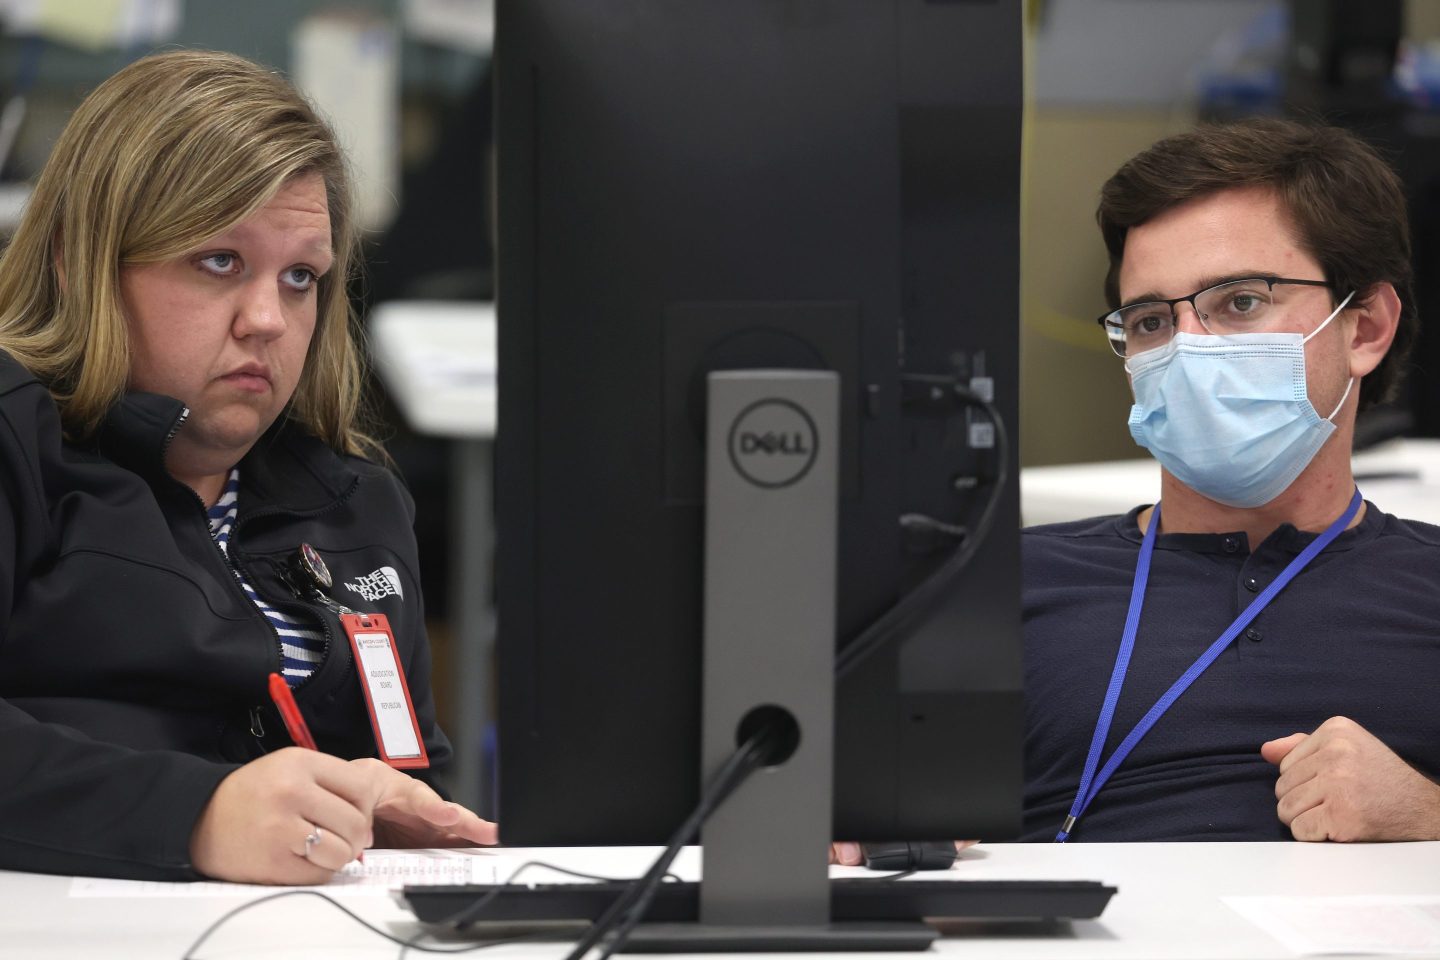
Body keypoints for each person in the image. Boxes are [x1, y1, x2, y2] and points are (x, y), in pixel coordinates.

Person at [0, 50, 495, 883]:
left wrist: (385, 803)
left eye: (301, 277)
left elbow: (407, 774)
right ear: (79, 263)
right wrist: (196, 814)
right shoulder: (20, 447)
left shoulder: (356, 506)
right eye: (219, 261)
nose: (268, 318)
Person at [1020, 118, 1440, 843]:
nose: (1188, 351)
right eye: (1151, 321)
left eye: (1240, 303)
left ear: (1365, 327)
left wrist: (1427, 815)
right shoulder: (1010, 586)